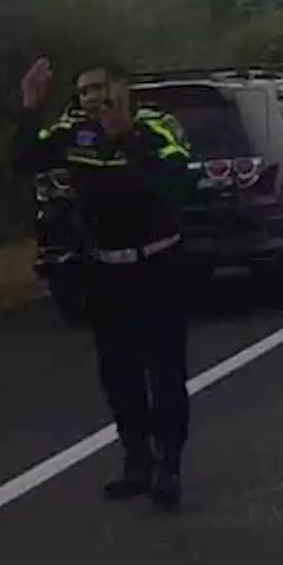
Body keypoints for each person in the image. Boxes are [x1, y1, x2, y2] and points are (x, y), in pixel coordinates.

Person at [14, 57, 196, 510]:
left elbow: (174, 182)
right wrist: (30, 106)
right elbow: (24, 159)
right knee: (119, 373)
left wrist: (126, 138)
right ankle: (137, 461)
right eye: (84, 91)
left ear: (122, 88)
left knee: (165, 370)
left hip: (158, 265)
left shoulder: (158, 127)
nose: (92, 98)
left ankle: (168, 465)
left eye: (99, 88)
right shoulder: (74, 131)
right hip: (106, 270)